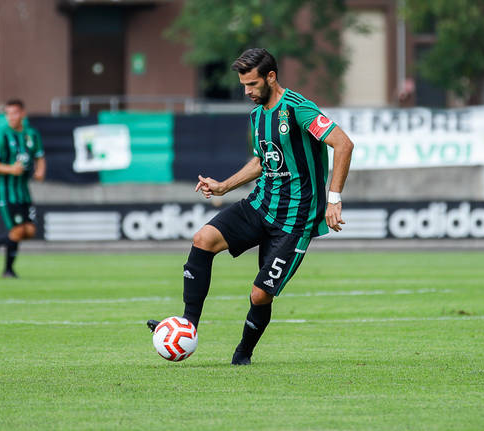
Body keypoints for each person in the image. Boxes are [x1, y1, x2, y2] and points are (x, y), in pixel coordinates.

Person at [147, 48, 354, 365]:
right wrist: (223, 186)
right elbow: (261, 160)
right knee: (203, 239)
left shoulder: (298, 109)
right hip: (260, 205)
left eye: (252, 84)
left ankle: (243, 354)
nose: (247, 91)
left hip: (295, 220)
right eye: (243, 85)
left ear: (271, 77)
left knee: (260, 295)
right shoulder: (257, 116)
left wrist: (333, 198)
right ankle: (188, 326)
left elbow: (343, 143)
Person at [0, 99, 46, 278]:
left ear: (23, 114)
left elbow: (40, 156)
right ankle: (8, 270)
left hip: (23, 191)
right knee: (18, 231)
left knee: (30, 231)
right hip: (6, 190)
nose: (12, 117)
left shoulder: (31, 134)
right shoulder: (1, 135)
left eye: (15, 113)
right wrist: (10, 168)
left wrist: (40, 171)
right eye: (8, 113)